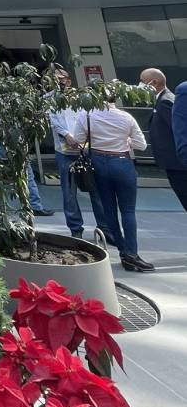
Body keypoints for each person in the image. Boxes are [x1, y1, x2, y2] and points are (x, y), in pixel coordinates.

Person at [66, 100, 153, 272]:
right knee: (128, 210)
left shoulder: (86, 115)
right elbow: (141, 145)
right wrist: (127, 140)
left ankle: (122, 251)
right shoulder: (126, 117)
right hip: (121, 160)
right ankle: (132, 253)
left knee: (109, 209)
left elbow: (79, 140)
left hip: (98, 161)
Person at [47, 67, 109, 238]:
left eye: (63, 78)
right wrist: (67, 135)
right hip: (65, 151)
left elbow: (89, 116)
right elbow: (52, 120)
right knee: (69, 192)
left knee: (96, 188)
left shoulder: (80, 97)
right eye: (56, 79)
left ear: (69, 80)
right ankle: (76, 229)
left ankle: (105, 227)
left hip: (86, 148)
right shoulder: (48, 99)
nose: (60, 81)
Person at [140, 67, 187, 212]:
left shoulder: (166, 101)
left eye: (142, 81)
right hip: (173, 163)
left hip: (178, 164)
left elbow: (178, 131)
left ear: (154, 82)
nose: (140, 85)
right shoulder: (161, 100)